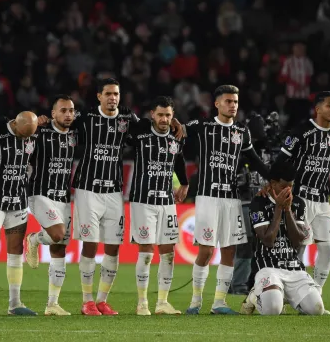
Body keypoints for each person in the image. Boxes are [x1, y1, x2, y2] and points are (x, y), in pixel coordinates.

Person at [71, 78, 181, 315]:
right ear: (99, 96)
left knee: (113, 247)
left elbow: (154, 124)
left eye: (116, 94)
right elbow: (62, 124)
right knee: (90, 244)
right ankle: (87, 300)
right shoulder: (86, 118)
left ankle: (101, 300)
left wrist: (173, 121)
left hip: (114, 190)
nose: (113, 98)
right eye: (108, 94)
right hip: (87, 188)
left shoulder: (127, 119)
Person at [183, 85, 269, 315]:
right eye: (228, 101)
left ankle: (219, 303)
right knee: (206, 250)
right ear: (217, 104)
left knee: (229, 250)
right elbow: (179, 130)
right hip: (207, 197)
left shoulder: (242, 132)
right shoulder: (203, 125)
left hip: (231, 198)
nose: (232, 105)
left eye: (235, 102)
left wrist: (273, 178)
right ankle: (195, 302)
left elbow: (254, 159)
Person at [270, 91, 330, 312]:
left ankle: (314, 294)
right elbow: (280, 159)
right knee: (298, 249)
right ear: (317, 109)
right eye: (329, 105)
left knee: (327, 248)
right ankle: (295, 295)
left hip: (322, 200)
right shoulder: (301, 132)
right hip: (300, 198)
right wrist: (275, 185)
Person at [127, 96, 189, 316]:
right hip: (143, 200)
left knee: (168, 252)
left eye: (168, 115)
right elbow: (127, 116)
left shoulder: (176, 137)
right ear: (152, 114)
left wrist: (185, 182)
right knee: (145, 251)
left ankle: (162, 302)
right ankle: (142, 302)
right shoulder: (140, 131)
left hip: (167, 201)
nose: (164, 119)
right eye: (160, 114)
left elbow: (179, 159)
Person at [240, 161, 325, 316]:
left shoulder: (298, 203)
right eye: (283, 186)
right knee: (272, 310)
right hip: (267, 268)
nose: (287, 191)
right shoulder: (259, 203)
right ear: (272, 184)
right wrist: (279, 208)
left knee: (317, 310)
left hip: (293, 268)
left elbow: (298, 242)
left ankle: (284, 294)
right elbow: (268, 241)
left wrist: (287, 210)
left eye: (291, 187)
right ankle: (253, 296)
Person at [0, 111, 39, 316]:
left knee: (16, 251)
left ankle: (15, 304)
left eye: (29, 135)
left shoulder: (32, 138)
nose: (25, 139)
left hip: (19, 200)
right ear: (14, 124)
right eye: (23, 134)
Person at [25, 95, 76, 316]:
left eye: (71, 111)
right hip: (40, 194)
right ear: (53, 114)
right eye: (63, 110)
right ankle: (34, 239)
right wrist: (36, 124)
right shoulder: (41, 133)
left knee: (59, 248)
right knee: (57, 234)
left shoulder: (75, 134)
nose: (68, 114)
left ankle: (52, 304)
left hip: (64, 197)